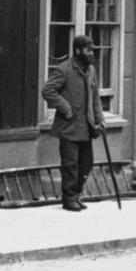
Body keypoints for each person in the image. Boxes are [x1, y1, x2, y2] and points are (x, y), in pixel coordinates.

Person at [40, 33, 105, 213]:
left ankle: (76, 195)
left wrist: (100, 119)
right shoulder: (64, 69)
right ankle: (68, 199)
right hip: (68, 127)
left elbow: (95, 97)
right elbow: (47, 90)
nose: (92, 53)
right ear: (77, 51)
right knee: (70, 164)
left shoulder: (91, 70)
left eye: (92, 49)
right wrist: (66, 108)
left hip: (86, 126)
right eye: (88, 50)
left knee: (87, 162)